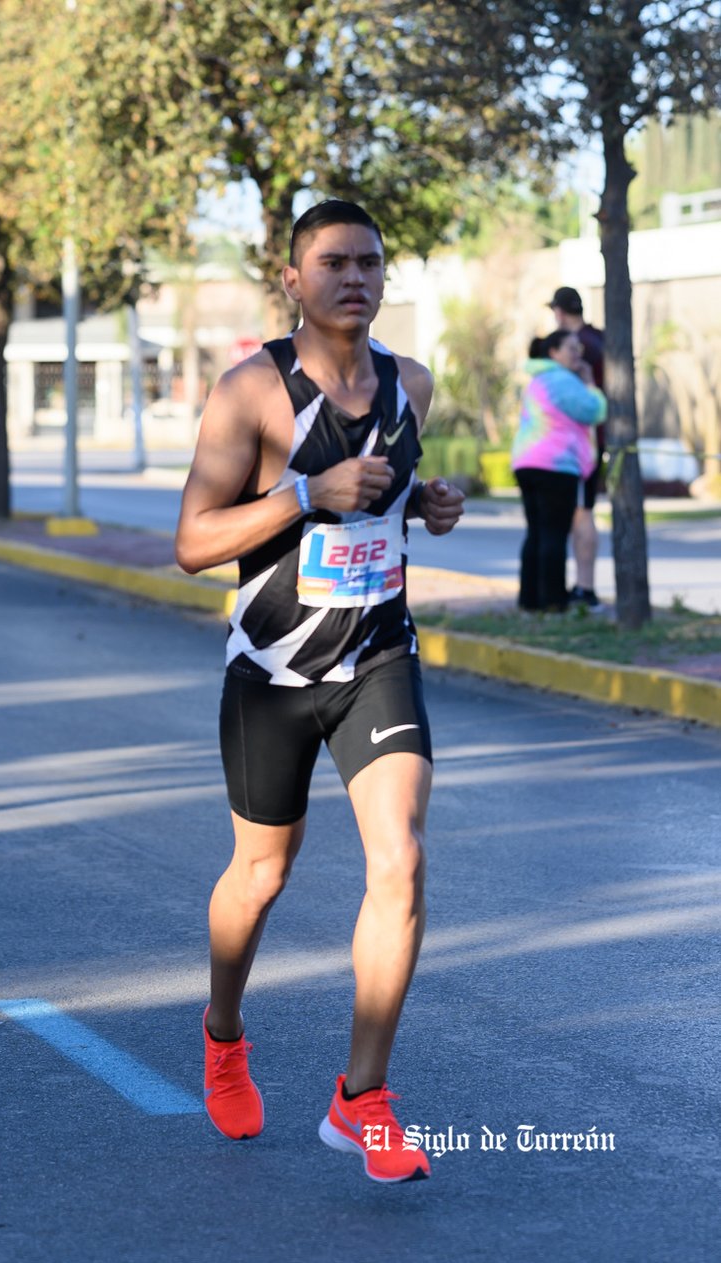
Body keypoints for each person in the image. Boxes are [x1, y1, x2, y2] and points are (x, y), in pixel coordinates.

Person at [175, 199, 465, 1184]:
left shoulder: (410, 383)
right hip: (269, 673)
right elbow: (191, 544)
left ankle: (362, 1098)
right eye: (332, 262)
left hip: (378, 655)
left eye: (371, 263)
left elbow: (391, 504)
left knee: (403, 861)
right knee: (259, 877)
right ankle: (222, 1032)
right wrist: (306, 492)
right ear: (292, 280)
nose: (355, 277)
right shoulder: (252, 391)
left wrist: (430, 507)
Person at [511, 328, 607, 612]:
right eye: (571, 348)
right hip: (555, 466)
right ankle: (553, 600)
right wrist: (590, 385)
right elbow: (594, 411)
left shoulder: (537, 381)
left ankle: (529, 599)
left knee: (536, 532)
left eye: (579, 348)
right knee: (554, 532)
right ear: (553, 352)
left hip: (526, 462)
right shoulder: (563, 381)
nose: (578, 353)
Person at [548, 286, 606, 610]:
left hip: (585, 443)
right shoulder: (598, 338)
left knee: (583, 513)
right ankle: (582, 585)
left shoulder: (581, 345)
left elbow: (586, 396)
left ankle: (586, 587)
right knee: (579, 512)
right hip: (583, 440)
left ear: (559, 312)